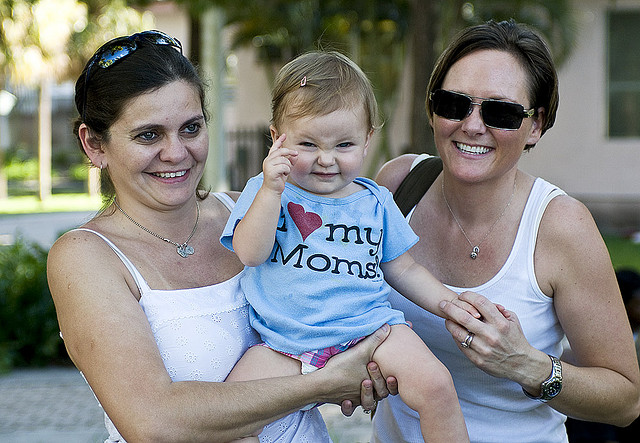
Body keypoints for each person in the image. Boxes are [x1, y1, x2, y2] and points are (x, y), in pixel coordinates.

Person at [46, 30, 397, 443]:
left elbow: (348, 294)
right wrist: (324, 382)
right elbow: (154, 422)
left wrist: (371, 362)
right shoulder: (86, 257)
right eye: (148, 135)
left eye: (191, 128)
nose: (176, 152)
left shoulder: (252, 210)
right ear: (94, 144)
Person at [371, 19, 640, 442]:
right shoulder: (398, 186)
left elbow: (625, 400)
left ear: (535, 126)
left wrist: (526, 365)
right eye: (454, 104)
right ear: (432, 108)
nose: (473, 126)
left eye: (501, 112)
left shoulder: (561, 226)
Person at [220, 50, 479, 442]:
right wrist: (272, 192)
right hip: (284, 342)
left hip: (369, 332)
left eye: (344, 145)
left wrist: (449, 303)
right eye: (307, 144)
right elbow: (250, 254)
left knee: (436, 386)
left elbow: (404, 269)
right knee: (230, 417)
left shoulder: (374, 201)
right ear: (276, 139)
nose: (326, 160)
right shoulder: (267, 192)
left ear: (367, 139)